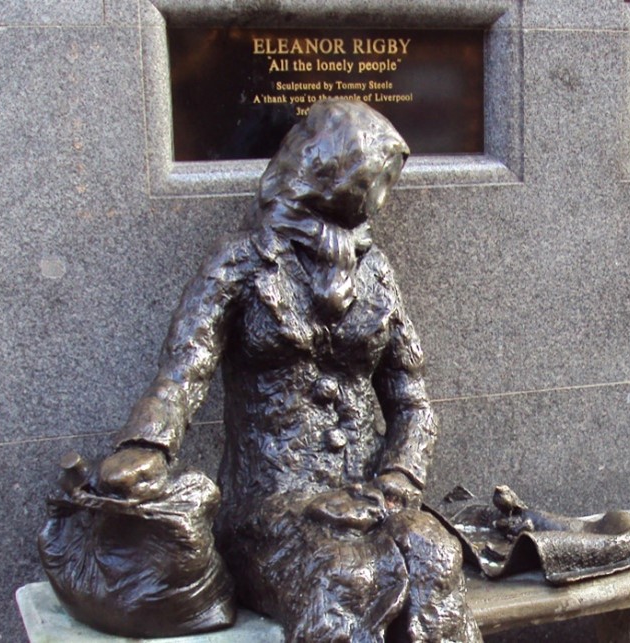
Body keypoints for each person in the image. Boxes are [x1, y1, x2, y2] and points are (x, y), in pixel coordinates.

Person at [95, 99, 481, 643]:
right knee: (346, 576)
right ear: (337, 175)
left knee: (436, 555)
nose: (384, 199)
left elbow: (411, 398)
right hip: (269, 503)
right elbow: (186, 366)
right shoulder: (243, 261)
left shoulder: (376, 272)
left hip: (368, 493)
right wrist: (147, 445)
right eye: (379, 181)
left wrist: (397, 481)